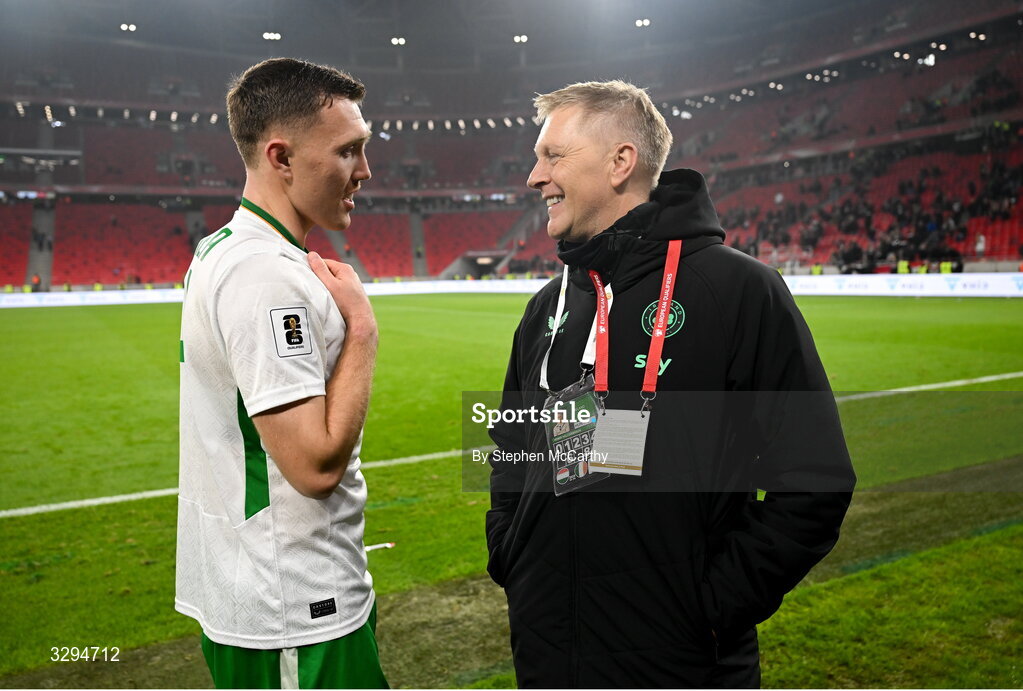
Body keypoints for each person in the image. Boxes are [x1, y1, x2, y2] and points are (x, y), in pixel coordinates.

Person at [486, 80, 856, 688]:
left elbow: (813, 482)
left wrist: (708, 608)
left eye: (552, 156)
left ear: (620, 163)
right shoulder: (547, 306)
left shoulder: (738, 291)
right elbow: (510, 449)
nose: (534, 176)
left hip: (683, 660)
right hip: (548, 651)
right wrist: (512, 551)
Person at [176, 58, 386, 689]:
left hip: (274, 593)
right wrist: (364, 332)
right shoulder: (265, 274)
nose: (364, 172)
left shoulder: (223, 249)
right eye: (348, 151)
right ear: (281, 157)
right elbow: (313, 466)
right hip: (296, 609)